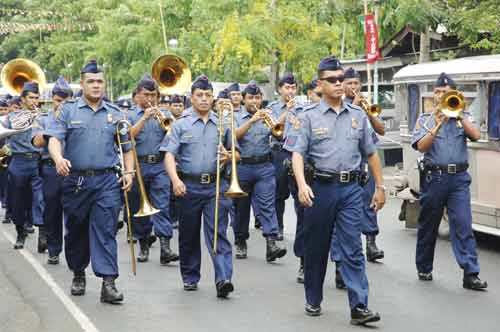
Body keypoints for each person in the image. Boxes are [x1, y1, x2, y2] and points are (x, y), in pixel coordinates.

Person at [285, 55, 384, 325]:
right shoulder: (308, 117)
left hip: (351, 189)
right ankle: (313, 298)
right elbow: (297, 154)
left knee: (353, 247)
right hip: (321, 189)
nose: (339, 84)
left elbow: (372, 153)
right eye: (333, 80)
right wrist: (303, 184)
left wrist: (381, 187)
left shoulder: (358, 116)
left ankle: (359, 306)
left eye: (341, 79)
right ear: (320, 83)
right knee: (317, 247)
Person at [46, 60, 135, 304]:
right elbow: (54, 139)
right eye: (91, 81)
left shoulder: (115, 113)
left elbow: (127, 148)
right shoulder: (67, 110)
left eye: (99, 81)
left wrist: (130, 173)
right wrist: (58, 158)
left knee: (106, 230)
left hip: (107, 180)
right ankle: (78, 272)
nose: (96, 86)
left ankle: (108, 283)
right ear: (82, 83)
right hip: (76, 181)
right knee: (76, 229)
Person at [162, 75, 237, 298]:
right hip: (189, 186)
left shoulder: (223, 123)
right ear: (191, 98)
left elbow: (236, 153)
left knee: (218, 233)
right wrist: (175, 180)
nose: (204, 99)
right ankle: (190, 276)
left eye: (208, 95)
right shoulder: (180, 124)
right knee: (189, 234)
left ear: (213, 98)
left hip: (216, 186)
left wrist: (230, 156)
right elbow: (168, 155)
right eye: (199, 95)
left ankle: (223, 278)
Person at [411, 72, 487, 290]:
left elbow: (476, 136)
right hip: (435, 177)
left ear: (454, 94)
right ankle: (424, 266)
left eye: (445, 92)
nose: (441, 95)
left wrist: (459, 114)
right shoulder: (425, 119)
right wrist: (436, 123)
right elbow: (422, 146)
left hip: (459, 179)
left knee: (463, 225)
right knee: (429, 225)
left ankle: (470, 273)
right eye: (437, 92)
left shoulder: (463, 117)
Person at [232, 80, 287, 262]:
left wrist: (275, 123)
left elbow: (279, 135)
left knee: (267, 204)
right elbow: (232, 137)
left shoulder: (267, 115)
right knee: (241, 208)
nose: (254, 101)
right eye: (250, 98)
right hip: (243, 167)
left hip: (264, 166)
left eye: (257, 97)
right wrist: (251, 122)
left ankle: (271, 243)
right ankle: (240, 240)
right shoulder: (236, 116)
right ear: (243, 99)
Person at [128, 74, 178, 265]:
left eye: (154, 95)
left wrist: (163, 122)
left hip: (159, 165)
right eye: (146, 95)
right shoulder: (130, 115)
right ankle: (143, 243)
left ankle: (165, 247)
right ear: (138, 95)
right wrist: (144, 119)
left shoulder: (164, 114)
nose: (150, 99)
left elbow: (174, 136)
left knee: (162, 205)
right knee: (140, 206)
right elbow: (127, 137)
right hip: (138, 165)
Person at [32, 76, 72, 264]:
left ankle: (74, 251)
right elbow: (37, 142)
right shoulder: (44, 119)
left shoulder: (76, 116)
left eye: (65, 101)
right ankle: (54, 249)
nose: (61, 104)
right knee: (52, 211)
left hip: (73, 169)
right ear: (52, 100)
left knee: (74, 213)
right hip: (50, 170)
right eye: (58, 100)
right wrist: (54, 126)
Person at [5, 82, 44, 250]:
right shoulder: (12, 118)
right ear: (22, 100)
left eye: (36, 97)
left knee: (41, 199)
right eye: (31, 98)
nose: (34, 101)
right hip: (18, 161)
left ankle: (43, 233)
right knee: (18, 202)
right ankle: (20, 233)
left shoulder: (43, 117)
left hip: (37, 161)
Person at [268, 73, 300, 240]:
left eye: (293, 87)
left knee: (298, 191)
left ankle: (302, 229)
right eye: (287, 87)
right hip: (279, 152)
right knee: (278, 193)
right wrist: (287, 111)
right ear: (280, 89)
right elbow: (273, 128)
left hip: (295, 151)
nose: (291, 91)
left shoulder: (301, 107)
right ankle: (278, 226)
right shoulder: (272, 107)